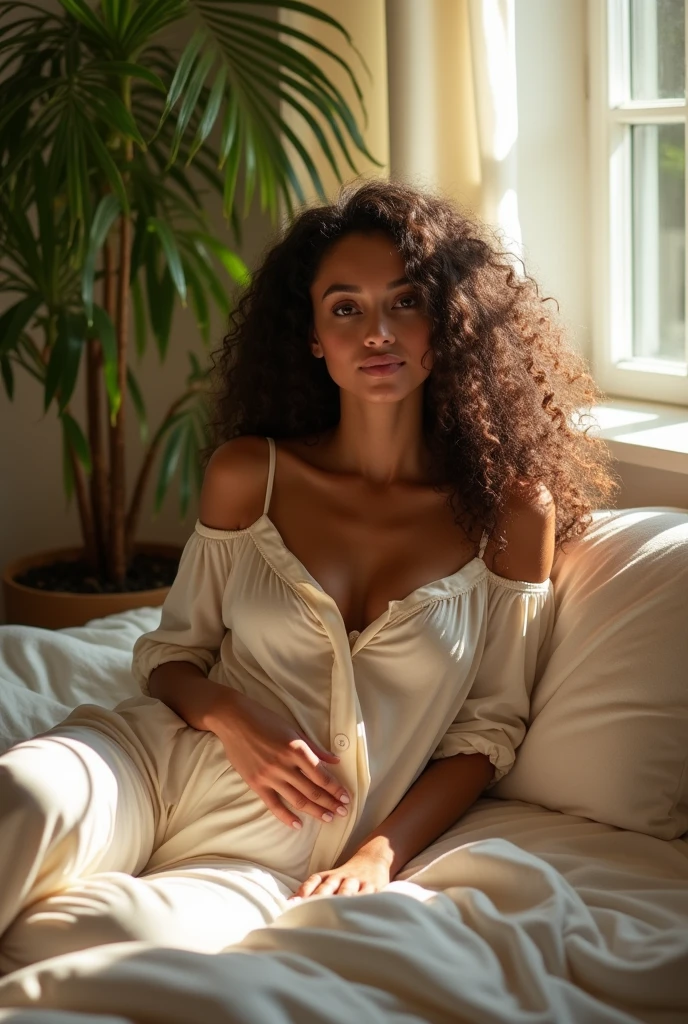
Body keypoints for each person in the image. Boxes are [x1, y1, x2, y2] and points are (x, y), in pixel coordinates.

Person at [0, 179, 619, 974]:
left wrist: (378, 854)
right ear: (312, 338)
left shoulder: (508, 516)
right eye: (345, 307)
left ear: (448, 323)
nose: (377, 332)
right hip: (145, 769)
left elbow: (487, 731)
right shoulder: (248, 476)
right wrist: (233, 716)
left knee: (76, 949)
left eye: (404, 301)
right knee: (17, 799)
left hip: (275, 856)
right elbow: (169, 654)